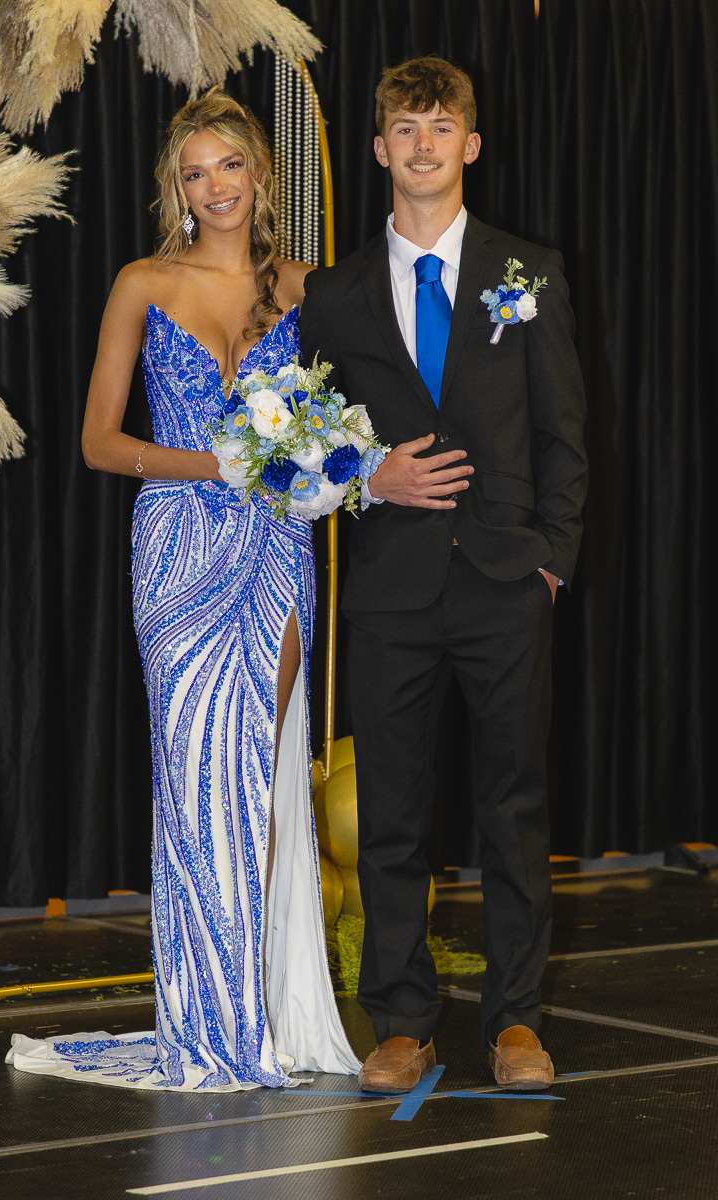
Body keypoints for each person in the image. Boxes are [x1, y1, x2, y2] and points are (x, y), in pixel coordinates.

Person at [7, 89, 359, 1090]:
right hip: (175, 551)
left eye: (229, 167)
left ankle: (252, 1014)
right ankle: (206, 1030)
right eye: (194, 172)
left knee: (255, 786)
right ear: (176, 187)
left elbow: (357, 403)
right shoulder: (140, 283)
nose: (214, 187)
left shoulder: (301, 289)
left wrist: (327, 460)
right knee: (194, 786)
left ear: (258, 176)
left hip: (275, 554)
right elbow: (97, 442)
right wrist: (219, 464)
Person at [300, 57, 587, 1094]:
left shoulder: (528, 270)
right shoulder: (328, 294)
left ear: (468, 145)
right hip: (387, 590)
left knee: (511, 809)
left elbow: (565, 438)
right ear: (377, 150)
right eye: (402, 129)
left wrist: (548, 562)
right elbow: (304, 440)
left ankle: (514, 1023)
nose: (421, 144)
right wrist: (365, 478)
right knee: (391, 815)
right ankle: (401, 1022)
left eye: (439, 127)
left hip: (506, 584)